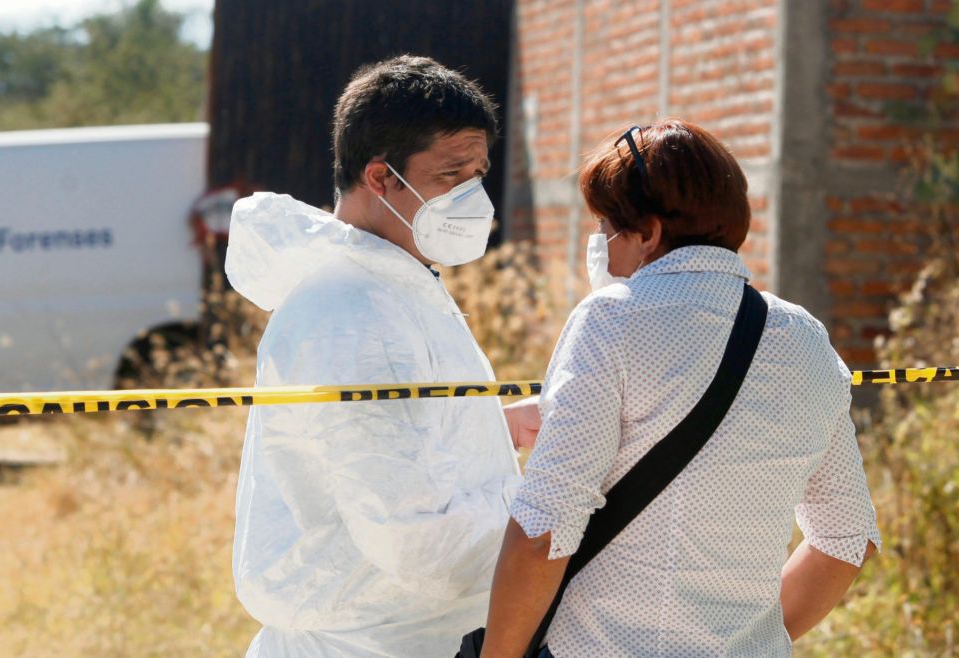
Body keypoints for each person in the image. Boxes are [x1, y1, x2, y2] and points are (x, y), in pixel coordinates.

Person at [481, 120, 881, 657]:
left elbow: (543, 533)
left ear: (647, 233)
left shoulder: (611, 319)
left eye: (604, 226)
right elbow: (848, 540)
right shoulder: (804, 337)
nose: (598, 244)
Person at [225, 55, 525, 657]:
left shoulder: (388, 286)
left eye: (478, 174)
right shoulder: (355, 315)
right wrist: (550, 519)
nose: (471, 195)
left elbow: (386, 452)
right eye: (450, 175)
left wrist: (490, 427)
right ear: (381, 177)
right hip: (370, 643)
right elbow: (412, 536)